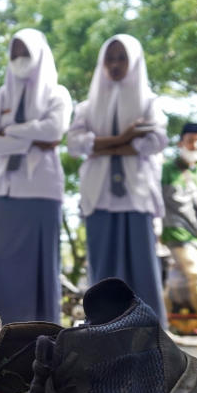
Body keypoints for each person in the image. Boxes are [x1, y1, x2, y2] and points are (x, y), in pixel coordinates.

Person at [67, 34, 168, 322]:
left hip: (136, 195)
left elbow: (157, 140)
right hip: (98, 195)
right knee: (103, 269)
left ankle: (150, 331)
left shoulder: (148, 101)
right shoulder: (87, 106)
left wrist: (102, 145)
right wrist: (126, 139)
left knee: (142, 267)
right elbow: (74, 144)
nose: (114, 64)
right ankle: (103, 330)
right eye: (109, 58)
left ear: (134, 60)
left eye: (121, 57)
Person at [0, 28, 72, 325]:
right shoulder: (1, 97)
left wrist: (11, 131)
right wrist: (33, 135)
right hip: (3, 192)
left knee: (37, 269)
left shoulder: (57, 94)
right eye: (14, 52)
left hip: (40, 192)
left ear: (39, 54)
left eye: (25, 52)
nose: (19, 58)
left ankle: (38, 333)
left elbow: (54, 131)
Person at [160, 122, 197, 324]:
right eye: (191, 141)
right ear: (181, 143)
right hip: (177, 233)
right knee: (196, 276)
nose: (196, 145)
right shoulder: (166, 170)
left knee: (183, 281)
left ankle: (166, 324)